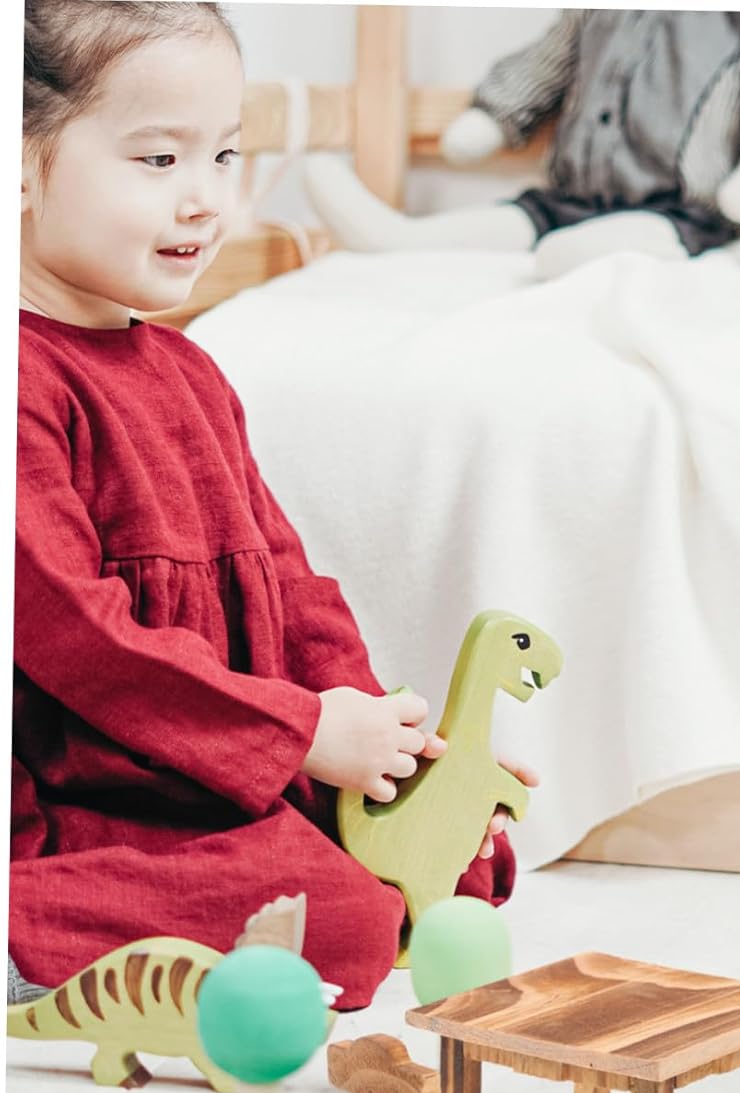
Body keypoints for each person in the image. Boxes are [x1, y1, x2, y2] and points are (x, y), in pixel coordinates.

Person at [12, 0, 531, 1012]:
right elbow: (86, 644)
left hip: (229, 759)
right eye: (159, 160)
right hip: (96, 788)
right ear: (20, 165)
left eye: (224, 156)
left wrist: (381, 741)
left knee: (461, 858)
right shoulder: (22, 380)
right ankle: (26, 925)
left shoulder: (193, 373)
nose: (207, 201)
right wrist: (298, 734)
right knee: (341, 923)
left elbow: (291, 587)